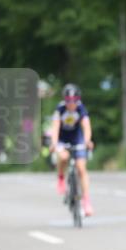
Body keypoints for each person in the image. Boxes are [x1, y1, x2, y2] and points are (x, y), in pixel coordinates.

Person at [49, 84, 94, 216]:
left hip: (77, 138)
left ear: (78, 99)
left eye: (74, 100)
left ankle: (86, 201)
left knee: (81, 168)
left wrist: (87, 141)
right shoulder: (60, 109)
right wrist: (54, 143)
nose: (71, 103)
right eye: (68, 100)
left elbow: (86, 126)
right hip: (62, 138)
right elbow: (55, 128)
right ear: (65, 100)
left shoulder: (81, 109)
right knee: (63, 157)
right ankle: (61, 178)